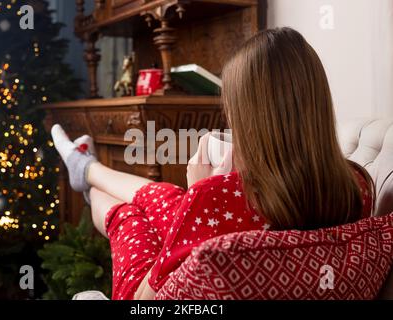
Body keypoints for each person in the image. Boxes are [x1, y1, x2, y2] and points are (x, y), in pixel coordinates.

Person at [51, 27, 374, 300]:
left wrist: (201, 191)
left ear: (248, 117)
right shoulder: (356, 184)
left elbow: (144, 298)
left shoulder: (217, 198)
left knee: (128, 215)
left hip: (148, 287)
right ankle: (87, 168)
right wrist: (207, 196)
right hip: (226, 220)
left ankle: (86, 178)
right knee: (160, 195)